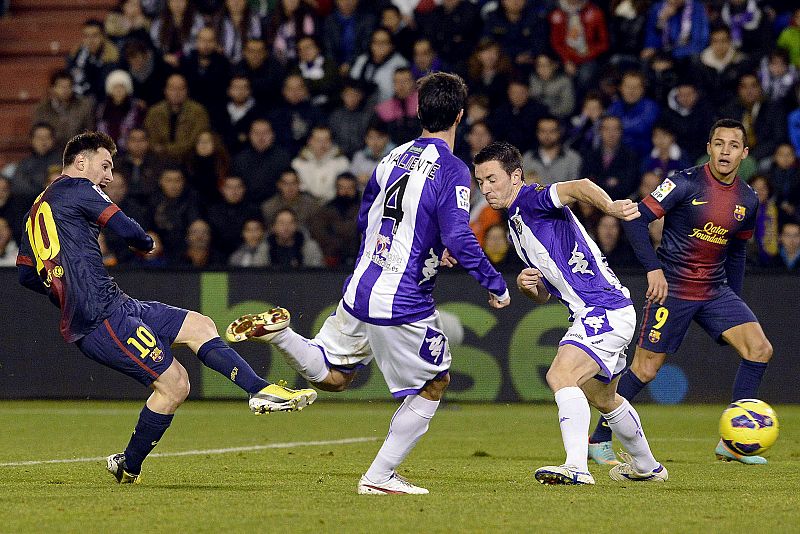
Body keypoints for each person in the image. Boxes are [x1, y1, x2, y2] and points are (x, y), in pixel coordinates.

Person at [225, 72, 510, 495]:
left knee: (334, 376)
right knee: (435, 382)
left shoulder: (391, 158)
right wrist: (495, 282)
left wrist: (412, 249)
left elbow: (367, 219)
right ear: (460, 115)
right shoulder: (451, 169)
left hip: (363, 282)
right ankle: (379, 477)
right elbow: (459, 234)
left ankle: (282, 334)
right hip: (402, 296)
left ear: (419, 111)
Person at [15, 131, 316, 484]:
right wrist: (145, 242)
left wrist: (64, 290)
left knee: (200, 325)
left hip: (114, 304)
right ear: (81, 162)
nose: (109, 176)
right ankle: (132, 462)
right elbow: (128, 230)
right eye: (106, 165)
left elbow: (25, 275)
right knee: (175, 385)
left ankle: (258, 391)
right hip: (100, 316)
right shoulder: (78, 187)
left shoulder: (37, 207)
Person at [473, 140, 667, 485]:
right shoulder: (517, 229)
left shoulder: (531, 198)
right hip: (600, 310)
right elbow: (546, 294)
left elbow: (579, 187)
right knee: (602, 396)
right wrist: (529, 287)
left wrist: (611, 208)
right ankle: (648, 467)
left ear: (515, 176)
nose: (486, 189)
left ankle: (577, 468)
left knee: (560, 375)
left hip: (603, 307)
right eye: (481, 182)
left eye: (492, 179)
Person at [588, 119, 774, 465]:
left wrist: (734, 300)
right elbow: (635, 220)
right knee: (645, 369)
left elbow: (735, 252)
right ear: (709, 147)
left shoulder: (747, 199)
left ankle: (732, 443)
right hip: (672, 288)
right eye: (719, 144)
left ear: (744, 154)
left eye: (734, 146)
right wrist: (653, 269)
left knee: (760, 349)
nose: (725, 151)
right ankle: (598, 439)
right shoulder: (684, 183)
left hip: (716, 290)